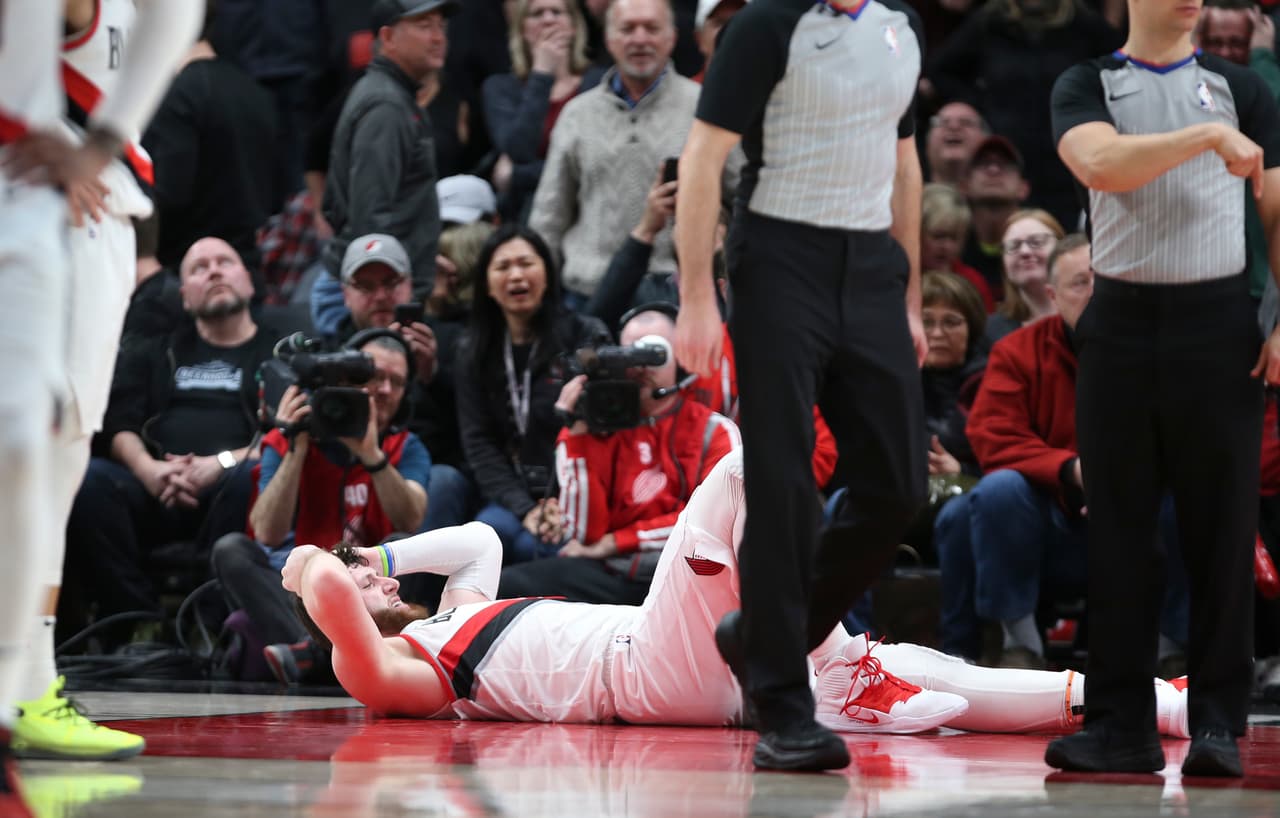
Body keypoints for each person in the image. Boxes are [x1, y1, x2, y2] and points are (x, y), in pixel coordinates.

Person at [281, 448, 1193, 741]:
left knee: (933, 675)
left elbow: (478, 540)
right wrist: (314, 564)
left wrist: (376, 554)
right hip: (646, 674)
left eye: (369, 564)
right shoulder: (404, 668)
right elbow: (322, 585)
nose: (372, 572)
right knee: (743, 465)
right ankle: (827, 652)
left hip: (686, 660)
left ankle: (1155, 704)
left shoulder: (459, 607)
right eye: (361, 575)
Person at [673, 0, 928, 772]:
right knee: (784, 484)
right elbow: (702, 157)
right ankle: (783, 706)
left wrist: (912, 297)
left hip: (871, 266)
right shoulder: (764, 25)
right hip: (780, 258)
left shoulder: (899, 25)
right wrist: (695, 296)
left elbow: (905, 162)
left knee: (898, 486)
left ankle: (761, 638)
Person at [1046, 4, 1280, 773]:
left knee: (1221, 533)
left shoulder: (1243, 88)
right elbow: (1101, 165)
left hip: (1218, 324)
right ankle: (1121, 727)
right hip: (1120, 324)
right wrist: (1206, 137)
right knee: (1118, 533)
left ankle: (1216, 725)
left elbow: (1277, 210)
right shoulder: (1088, 82)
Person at [60, 237, 270, 652]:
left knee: (251, 476)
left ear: (248, 281)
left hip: (232, 489)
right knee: (91, 480)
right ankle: (136, 620)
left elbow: (287, 435)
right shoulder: (159, 348)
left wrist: (221, 463)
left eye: (224, 262)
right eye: (199, 268)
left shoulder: (276, 352)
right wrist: (148, 470)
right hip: (158, 486)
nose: (213, 271)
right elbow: (119, 424)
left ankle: (210, 625)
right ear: (184, 296)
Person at [213, 327, 431, 683]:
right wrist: (296, 449)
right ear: (345, 378)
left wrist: (371, 455)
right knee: (231, 550)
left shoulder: (406, 445)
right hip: (304, 594)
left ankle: (313, 658)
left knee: (406, 543)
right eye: (376, 377)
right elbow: (267, 532)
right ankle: (322, 655)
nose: (385, 390)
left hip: (371, 592)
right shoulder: (287, 439)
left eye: (397, 382)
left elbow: (411, 518)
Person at [497, 304, 740, 604]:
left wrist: (617, 541)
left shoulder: (715, 431)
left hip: (685, 574)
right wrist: (577, 435)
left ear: (680, 357)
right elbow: (584, 535)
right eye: (629, 353)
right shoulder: (595, 429)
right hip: (610, 573)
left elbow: (713, 525)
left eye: (652, 352)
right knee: (505, 585)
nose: (640, 367)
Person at [528, 0, 711, 305]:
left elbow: (737, 196)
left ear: (672, 37)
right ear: (609, 39)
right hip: (588, 291)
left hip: (676, 291)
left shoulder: (704, 107)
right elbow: (549, 216)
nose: (640, 39)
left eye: (651, 28)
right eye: (627, 29)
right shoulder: (578, 114)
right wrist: (542, 300)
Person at [455, 225, 611, 563]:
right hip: (511, 492)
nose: (516, 275)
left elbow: (605, 432)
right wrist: (524, 508)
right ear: (487, 285)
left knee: (536, 548)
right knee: (484, 539)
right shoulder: (473, 352)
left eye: (526, 263)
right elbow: (479, 443)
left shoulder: (584, 336)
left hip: (578, 489)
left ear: (548, 275)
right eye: (503, 266)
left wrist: (561, 500)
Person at [322, 0, 457, 299]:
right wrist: (385, 289)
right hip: (375, 296)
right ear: (388, 37)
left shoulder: (393, 96)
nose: (438, 37)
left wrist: (421, 258)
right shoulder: (387, 106)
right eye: (425, 26)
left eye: (441, 26)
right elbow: (370, 219)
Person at [482, 0, 604, 223]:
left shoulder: (600, 83)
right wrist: (542, 74)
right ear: (522, 30)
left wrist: (518, 175)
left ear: (574, 26)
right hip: (526, 216)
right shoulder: (500, 88)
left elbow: (594, 164)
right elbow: (520, 151)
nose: (548, 20)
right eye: (537, 14)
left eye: (556, 12)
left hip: (591, 211)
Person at [984, 209, 1065, 346]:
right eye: (1013, 246)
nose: (1024, 251)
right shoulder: (989, 332)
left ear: (1062, 249)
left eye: (1037, 242)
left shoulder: (1088, 315)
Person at [924, 102, 989, 190]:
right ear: (927, 146)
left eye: (966, 122)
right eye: (943, 123)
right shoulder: (907, 197)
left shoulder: (1003, 198)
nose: (954, 127)